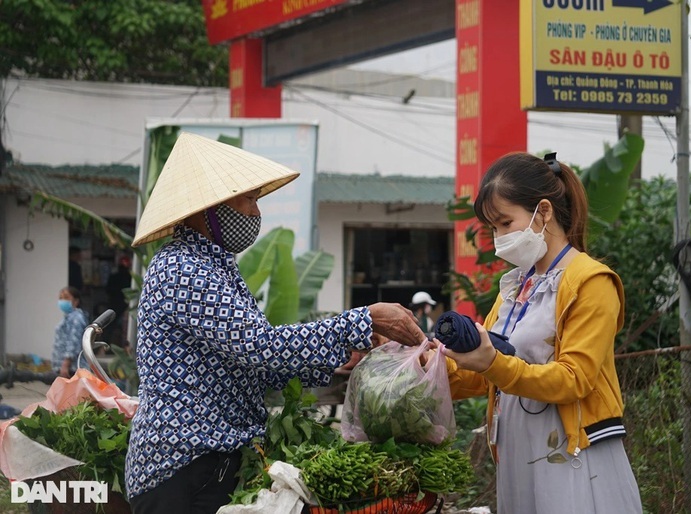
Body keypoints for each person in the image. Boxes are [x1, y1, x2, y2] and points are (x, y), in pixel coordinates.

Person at [125, 132, 425, 514]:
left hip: (212, 465)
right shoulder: (181, 268)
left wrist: (335, 361)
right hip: (183, 467)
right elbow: (258, 345)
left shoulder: (216, 268)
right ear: (209, 208)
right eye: (248, 199)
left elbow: (252, 367)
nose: (255, 212)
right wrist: (361, 320)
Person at [443, 151, 642, 513]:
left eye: (505, 222)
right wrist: (425, 366)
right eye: (493, 227)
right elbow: (484, 372)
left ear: (544, 212)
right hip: (518, 448)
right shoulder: (519, 285)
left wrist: (492, 364)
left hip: (572, 450)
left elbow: (574, 379)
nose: (498, 236)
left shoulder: (592, 282)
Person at [51, 286, 89, 378]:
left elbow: (73, 342)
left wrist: (65, 364)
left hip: (72, 368)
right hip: (66, 367)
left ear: (76, 301)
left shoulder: (76, 318)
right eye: (61, 298)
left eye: (66, 298)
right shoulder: (69, 318)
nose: (63, 301)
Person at [104, 255, 132, 347]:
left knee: (112, 326)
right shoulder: (129, 277)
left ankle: (105, 347)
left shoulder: (115, 277)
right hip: (123, 304)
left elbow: (108, 290)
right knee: (124, 327)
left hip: (116, 304)